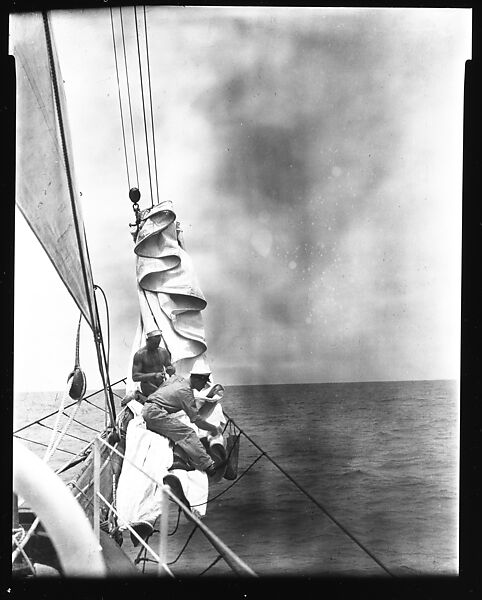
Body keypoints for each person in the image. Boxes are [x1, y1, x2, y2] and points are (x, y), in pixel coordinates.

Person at [141, 369, 224, 477]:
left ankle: (185, 459)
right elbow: (196, 421)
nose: (204, 386)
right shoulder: (185, 392)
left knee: (180, 429)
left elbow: (163, 389)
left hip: (149, 409)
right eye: (204, 383)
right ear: (197, 379)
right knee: (188, 433)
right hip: (155, 414)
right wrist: (214, 428)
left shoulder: (177, 379)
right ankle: (209, 466)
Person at [132, 330, 176, 396]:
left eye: (158, 343)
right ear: (147, 341)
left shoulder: (163, 352)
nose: (156, 346)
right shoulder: (140, 354)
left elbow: (170, 367)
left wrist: (171, 369)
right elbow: (135, 377)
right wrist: (154, 375)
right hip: (148, 388)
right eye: (154, 343)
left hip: (162, 385)